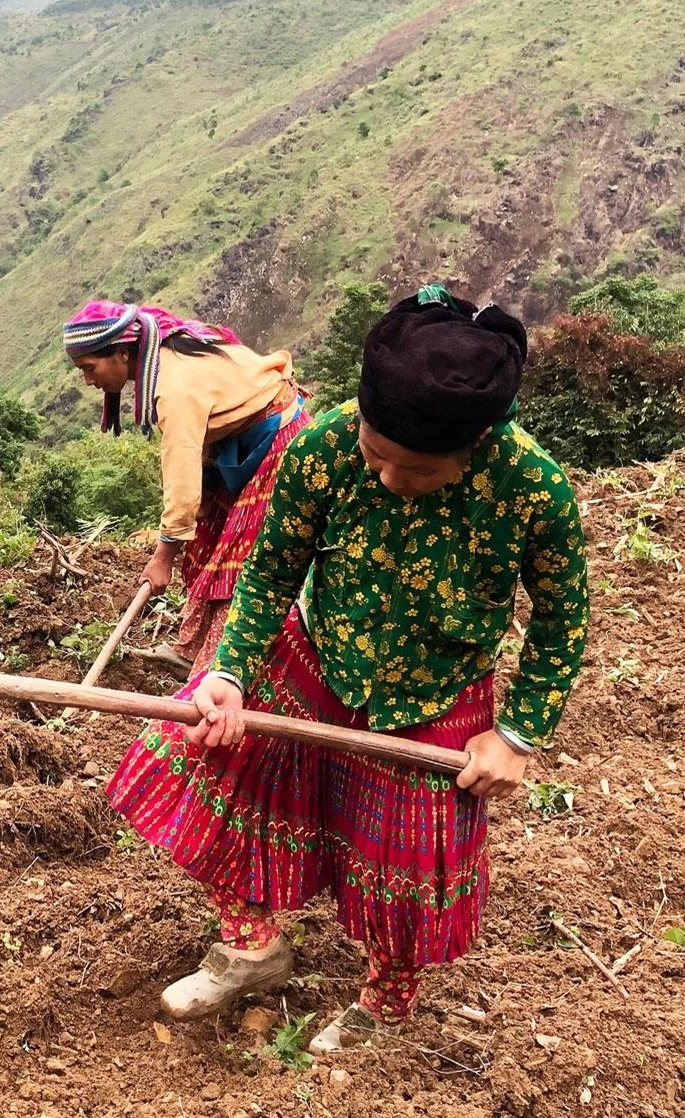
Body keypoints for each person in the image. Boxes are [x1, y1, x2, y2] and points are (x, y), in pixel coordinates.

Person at [107, 284, 589, 1050]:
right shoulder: (324, 446)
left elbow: (563, 623)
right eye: (376, 455)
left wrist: (517, 735)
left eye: (418, 472)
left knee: (402, 874)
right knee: (209, 763)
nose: (389, 478)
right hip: (315, 652)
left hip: (436, 695)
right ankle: (250, 946)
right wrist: (230, 672)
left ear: (474, 448)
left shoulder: (534, 490)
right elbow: (270, 571)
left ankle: (384, 1006)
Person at [62, 301, 304, 667]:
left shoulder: (174, 388)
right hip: (236, 441)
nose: (88, 380)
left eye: (90, 368)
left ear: (123, 354)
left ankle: (223, 668)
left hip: (279, 443)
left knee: (235, 562)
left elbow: (181, 474)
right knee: (205, 543)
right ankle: (192, 649)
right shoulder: (166, 353)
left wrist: (162, 558)